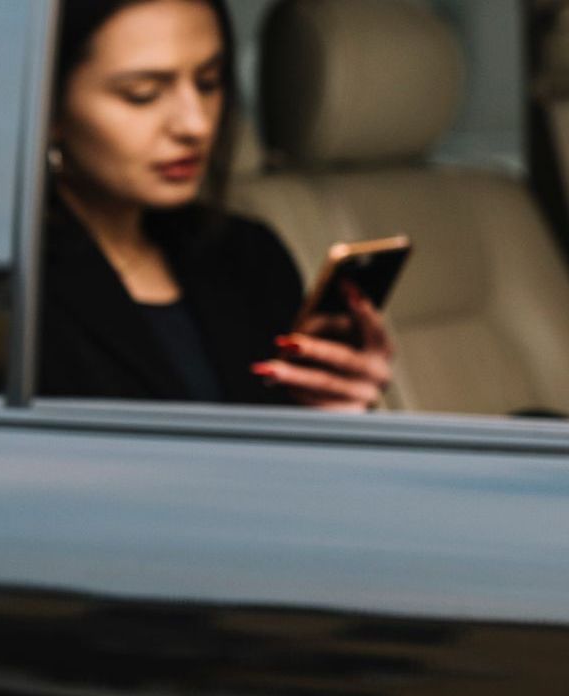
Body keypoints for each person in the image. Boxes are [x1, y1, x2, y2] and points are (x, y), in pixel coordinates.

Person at [41, 0, 393, 411]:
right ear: (48, 110)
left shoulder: (248, 255)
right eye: (143, 95)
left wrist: (331, 417)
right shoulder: (5, 293)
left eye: (208, 83)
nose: (196, 124)